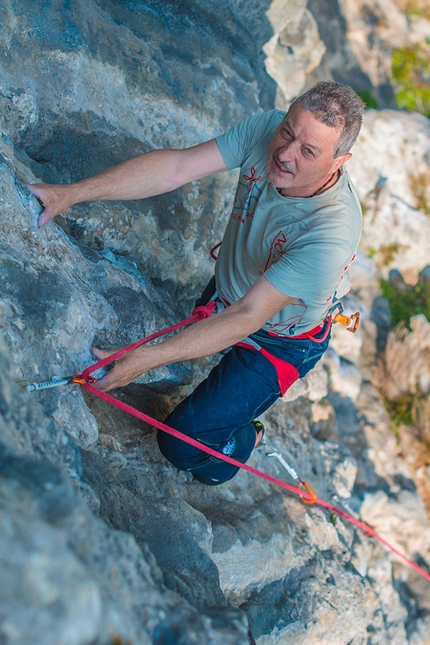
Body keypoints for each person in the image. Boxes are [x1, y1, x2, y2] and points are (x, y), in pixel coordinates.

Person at [28, 81, 364, 485]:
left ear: (338, 161)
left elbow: (247, 316)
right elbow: (176, 168)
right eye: (288, 132)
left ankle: (244, 439)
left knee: (182, 445)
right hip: (230, 292)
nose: (285, 153)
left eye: (308, 151)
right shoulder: (267, 129)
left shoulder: (329, 233)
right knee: (197, 338)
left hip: (279, 340)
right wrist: (72, 193)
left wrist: (146, 359)